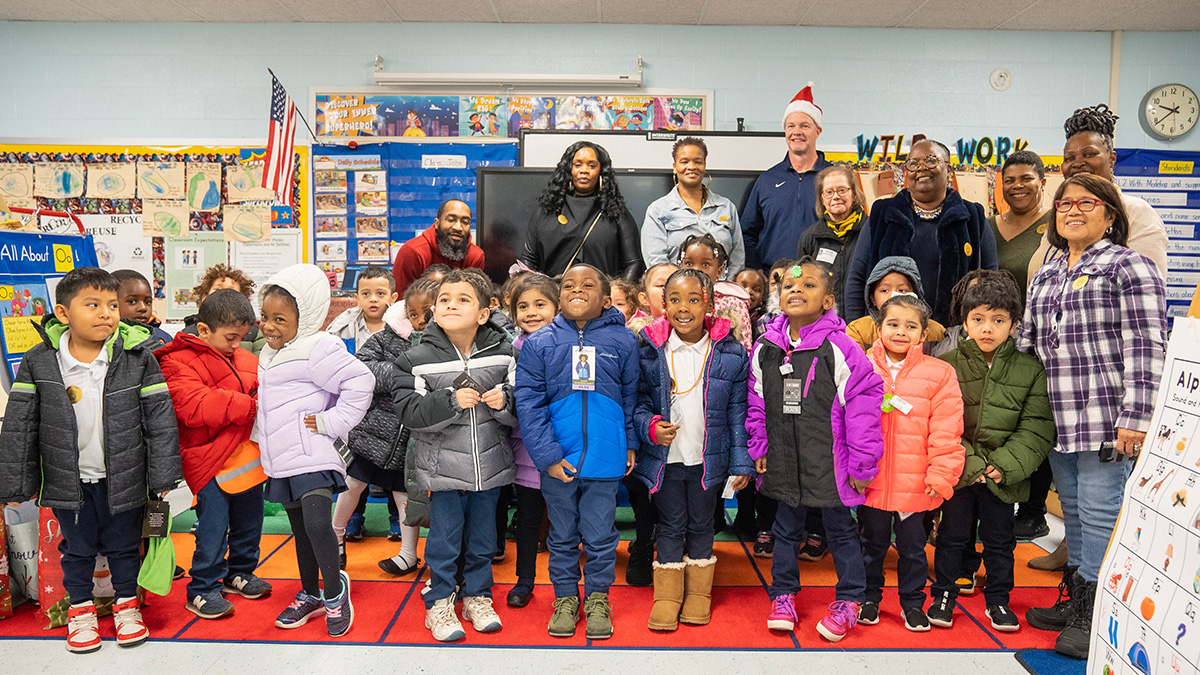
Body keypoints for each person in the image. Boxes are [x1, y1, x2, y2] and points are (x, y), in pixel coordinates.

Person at [1018, 174, 1167, 659]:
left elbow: (1146, 345)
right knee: (1075, 512)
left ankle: (1097, 613)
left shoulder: (1130, 266)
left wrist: (1137, 416)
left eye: (1086, 202)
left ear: (1110, 214)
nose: (1072, 210)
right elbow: (1028, 344)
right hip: (1056, 418)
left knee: (1102, 513)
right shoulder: (1048, 271)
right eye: (1064, 203)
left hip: (1107, 416)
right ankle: (1077, 600)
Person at [0, 267, 182, 653]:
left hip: (125, 476)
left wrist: (163, 475)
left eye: (112, 305)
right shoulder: (39, 361)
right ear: (63, 313)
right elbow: (20, 425)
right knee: (78, 548)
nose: (106, 313)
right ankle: (80, 611)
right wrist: (15, 485)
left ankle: (127, 606)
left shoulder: (136, 358)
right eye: (93, 305)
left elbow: (160, 420)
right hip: (68, 479)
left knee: (124, 545)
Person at [749, 259, 884, 642]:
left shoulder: (840, 347)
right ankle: (783, 594)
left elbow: (864, 403)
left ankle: (850, 600)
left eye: (808, 285)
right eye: (789, 286)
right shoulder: (765, 348)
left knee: (841, 531)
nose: (796, 290)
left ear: (827, 301)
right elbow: (756, 401)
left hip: (832, 463)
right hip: (784, 460)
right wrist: (759, 444)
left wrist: (862, 463)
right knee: (785, 529)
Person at [515, 263, 640, 640]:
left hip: (606, 457)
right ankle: (566, 598)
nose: (576, 290)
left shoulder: (624, 341)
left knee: (601, 536)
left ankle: (598, 598)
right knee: (562, 536)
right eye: (568, 285)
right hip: (559, 460)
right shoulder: (539, 343)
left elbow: (632, 395)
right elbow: (529, 403)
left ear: (606, 299)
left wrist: (630, 441)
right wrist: (549, 457)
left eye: (587, 285)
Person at [394, 269, 517, 643]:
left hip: (490, 468)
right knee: (444, 541)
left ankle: (477, 596)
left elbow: (523, 406)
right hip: (442, 472)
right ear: (434, 309)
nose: (451, 305)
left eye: (463, 299)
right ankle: (440, 601)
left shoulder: (505, 354)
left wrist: (504, 402)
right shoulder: (414, 359)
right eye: (445, 299)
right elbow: (409, 413)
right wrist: (448, 401)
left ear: (483, 313)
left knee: (484, 539)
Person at [928, 274, 1055, 632]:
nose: (987, 328)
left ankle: (998, 599)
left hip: (1003, 476)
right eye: (978, 319)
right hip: (959, 470)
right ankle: (943, 594)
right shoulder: (947, 365)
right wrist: (970, 463)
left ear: (1014, 325)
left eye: (998, 320)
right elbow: (940, 422)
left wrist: (1002, 465)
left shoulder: (1030, 370)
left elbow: (1036, 426)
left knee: (1001, 541)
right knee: (952, 536)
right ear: (965, 322)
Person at [257, 264, 374, 638]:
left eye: (279, 319)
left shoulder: (318, 347)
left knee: (318, 524)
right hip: (283, 458)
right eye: (265, 317)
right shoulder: (269, 353)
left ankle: (335, 592)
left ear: (304, 316)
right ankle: (310, 593)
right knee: (301, 531)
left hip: (315, 453)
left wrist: (331, 422)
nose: (269, 326)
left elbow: (361, 381)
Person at [633, 269, 752, 631]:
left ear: (710, 303)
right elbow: (637, 402)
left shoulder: (730, 352)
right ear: (663, 304)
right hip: (666, 460)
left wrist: (741, 462)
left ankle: (699, 594)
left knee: (702, 524)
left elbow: (738, 412)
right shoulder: (648, 350)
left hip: (706, 460)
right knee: (670, 525)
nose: (683, 308)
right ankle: (667, 596)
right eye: (675, 300)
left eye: (693, 299)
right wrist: (650, 427)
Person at [157, 289, 271, 620]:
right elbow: (194, 406)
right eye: (231, 338)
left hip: (247, 458)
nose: (237, 344)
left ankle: (241, 572)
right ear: (204, 330)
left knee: (250, 520)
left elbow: (265, 392)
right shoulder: (175, 360)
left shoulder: (247, 359)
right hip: (207, 461)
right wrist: (251, 407)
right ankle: (203, 588)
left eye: (242, 338)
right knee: (213, 528)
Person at [859, 294, 964, 633]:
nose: (901, 332)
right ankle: (868, 598)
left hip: (916, 482)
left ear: (923, 333)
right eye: (893, 324)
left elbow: (947, 429)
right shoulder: (861, 366)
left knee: (914, 549)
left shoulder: (940, 373)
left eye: (911, 326)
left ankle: (912, 603)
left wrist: (941, 473)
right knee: (870, 545)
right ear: (878, 328)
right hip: (871, 480)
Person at [844, 139, 998, 325]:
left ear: (949, 170)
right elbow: (857, 278)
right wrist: (857, 329)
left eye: (931, 160)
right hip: (891, 332)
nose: (921, 168)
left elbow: (990, 282)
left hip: (956, 333)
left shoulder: (973, 217)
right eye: (913, 163)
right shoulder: (882, 215)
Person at [332, 294, 425, 578]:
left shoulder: (439, 342)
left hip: (410, 437)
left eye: (427, 314)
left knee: (404, 493)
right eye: (413, 314)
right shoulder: (385, 336)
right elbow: (361, 369)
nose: (420, 320)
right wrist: (404, 376)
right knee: (353, 483)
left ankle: (408, 554)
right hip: (372, 431)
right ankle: (335, 537)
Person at [1028, 104, 1168, 283]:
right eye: (1069, 158)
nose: (1078, 163)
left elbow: (1145, 286)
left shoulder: (1134, 211)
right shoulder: (1062, 215)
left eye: (1089, 154)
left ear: (1111, 159)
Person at [505, 273, 560, 609]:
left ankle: (566, 586)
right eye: (523, 306)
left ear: (557, 307)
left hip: (564, 445)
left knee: (565, 520)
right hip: (526, 447)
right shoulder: (512, 350)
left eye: (540, 304)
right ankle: (524, 581)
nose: (531, 312)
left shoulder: (569, 344)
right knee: (527, 517)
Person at [522, 142, 643, 283]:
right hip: (554, 294)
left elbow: (634, 263)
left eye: (592, 166)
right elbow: (528, 260)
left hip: (603, 294)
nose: (584, 170)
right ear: (569, 169)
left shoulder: (616, 212)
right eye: (578, 165)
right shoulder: (546, 210)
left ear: (601, 172)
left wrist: (617, 292)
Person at [741, 84, 832, 270]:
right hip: (774, 278)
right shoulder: (766, 181)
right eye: (791, 126)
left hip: (821, 278)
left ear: (818, 131)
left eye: (804, 126)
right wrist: (756, 271)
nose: (797, 132)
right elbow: (746, 233)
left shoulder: (834, 178)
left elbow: (853, 232)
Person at [641, 137, 745, 276]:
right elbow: (657, 264)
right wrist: (681, 286)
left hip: (722, 288)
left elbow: (737, 259)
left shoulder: (726, 207)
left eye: (698, 162)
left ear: (704, 166)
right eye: (684, 162)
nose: (692, 167)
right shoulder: (658, 211)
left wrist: (725, 287)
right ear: (675, 167)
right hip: (676, 288)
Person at [795, 165, 869, 313]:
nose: (835, 197)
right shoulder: (810, 237)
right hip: (823, 319)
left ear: (854, 194)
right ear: (822, 199)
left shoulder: (871, 232)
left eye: (842, 190)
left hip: (863, 318)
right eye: (828, 192)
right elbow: (803, 284)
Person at [846, 256, 946, 352]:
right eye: (884, 290)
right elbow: (855, 361)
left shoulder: (936, 331)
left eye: (902, 290)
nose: (893, 295)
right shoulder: (857, 330)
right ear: (872, 298)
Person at [392, 199, 486, 296]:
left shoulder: (475, 256)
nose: (458, 227)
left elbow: (475, 298)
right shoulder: (413, 252)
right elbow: (399, 300)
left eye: (465, 222)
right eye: (451, 220)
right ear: (437, 223)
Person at [678, 234, 752, 353]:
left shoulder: (734, 303)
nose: (696, 269)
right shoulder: (673, 299)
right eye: (689, 263)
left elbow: (745, 348)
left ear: (719, 271)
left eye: (705, 264)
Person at [991, 151, 1052, 291]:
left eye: (1026, 179)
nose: (1017, 185)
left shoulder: (1056, 222)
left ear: (1042, 183)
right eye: (1009, 181)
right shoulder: (987, 226)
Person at [181, 264, 264, 354]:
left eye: (231, 291)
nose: (223, 295)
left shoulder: (255, 334)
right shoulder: (187, 334)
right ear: (204, 297)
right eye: (217, 290)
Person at [326, 265, 398, 354]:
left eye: (380, 293)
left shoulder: (402, 328)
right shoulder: (342, 326)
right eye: (366, 294)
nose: (373, 299)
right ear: (357, 299)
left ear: (393, 298)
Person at [111, 269, 172, 349]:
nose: (143, 308)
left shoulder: (162, 338)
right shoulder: (105, 337)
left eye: (147, 302)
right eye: (132, 302)